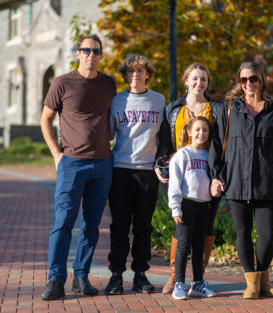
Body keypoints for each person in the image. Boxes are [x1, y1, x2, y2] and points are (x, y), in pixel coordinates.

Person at [209, 61, 273, 299]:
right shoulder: (229, 108)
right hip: (236, 181)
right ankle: (252, 282)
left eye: (253, 79)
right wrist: (215, 176)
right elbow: (217, 144)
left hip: (268, 182)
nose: (248, 84)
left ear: (261, 80)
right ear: (239, 82)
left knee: (267, 236)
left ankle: (263, 276)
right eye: (243, 79)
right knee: (242, 234)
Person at [40, 34, 117, 301]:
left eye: (96, 51)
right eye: (86, 50)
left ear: (101, 55)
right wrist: (56, 155)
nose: (91, 55)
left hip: (103, 164)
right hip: (71, 163)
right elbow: (45, 119)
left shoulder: (109, 83)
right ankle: (55, 280)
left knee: (92, 225)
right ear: (78, 53)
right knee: (63, 222)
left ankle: (81, 276)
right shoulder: (62, 83)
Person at [104, 54, 171, 295]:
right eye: (131, 71)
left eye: (140, 71)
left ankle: (141, 274)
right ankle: (116, 275)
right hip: (121, 170)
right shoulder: (117, 101)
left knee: (143, 226)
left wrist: (163, 160)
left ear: (148, 74)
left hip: (147, 172)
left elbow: (164, 135)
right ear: (125, 75)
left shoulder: (158, 100)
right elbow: (108, 136)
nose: (135, 75)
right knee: (120, 226)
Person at [156, 63, 222, 294]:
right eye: (194, 78)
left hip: (208, 176)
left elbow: (223, 143)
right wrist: (161, 164)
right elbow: (164, 139)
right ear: (186, 80)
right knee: (182, 226)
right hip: (182, 176)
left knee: (205, 228)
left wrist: (219, 176)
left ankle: (199, 279)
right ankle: (176, 276)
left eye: (203, 79)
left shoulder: (217, 109)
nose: (199, 83)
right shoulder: (174, 108)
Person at [168, 116, 216, 300]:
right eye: (197, 130)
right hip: (186, 204)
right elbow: (174, 184)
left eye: (205, 130)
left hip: (204, 205)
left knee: (199, 247)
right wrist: (175, 208)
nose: (201, 133)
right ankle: (179, 283)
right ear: (189, 131)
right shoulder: (182, 155)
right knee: (183, 245)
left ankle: (198, 283)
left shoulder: (209, 155)